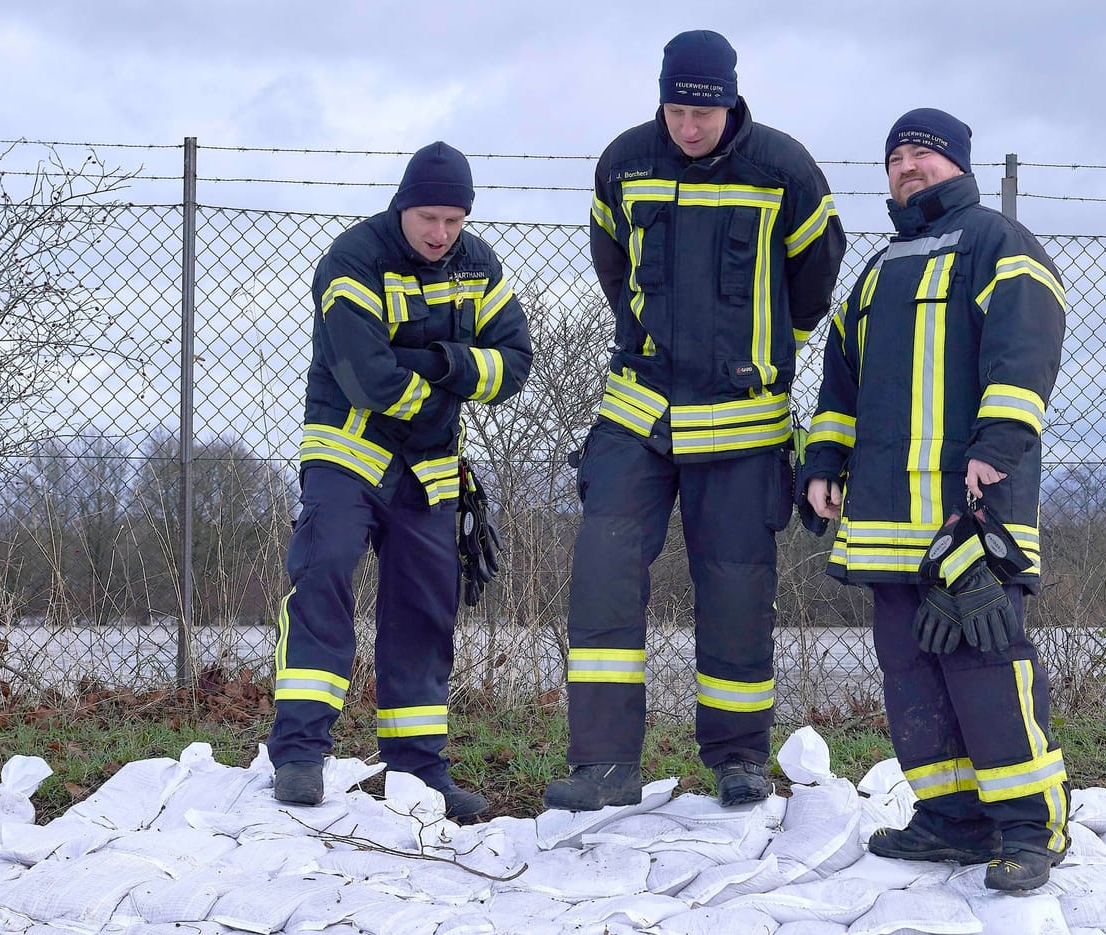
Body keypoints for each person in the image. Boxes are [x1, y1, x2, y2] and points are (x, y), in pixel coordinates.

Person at [545, 30, 846, 811]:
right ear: (662, 100)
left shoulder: (785, 171)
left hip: (743, 424)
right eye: (677, 110)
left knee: (737, 587)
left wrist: (764, 347)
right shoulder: (623, 162)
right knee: (604, 576)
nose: (688, 128)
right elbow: (614, 265)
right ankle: (603, 765)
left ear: (732, 103)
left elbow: (815, 279)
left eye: (703, 115)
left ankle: (739, 757)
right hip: (636, 412)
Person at [798, 108, 1069, 891]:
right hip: (883, 522)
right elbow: (839, 385)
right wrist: (824, 461)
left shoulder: (999, 244)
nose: (907, 166)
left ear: (957, 163)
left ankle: (1029, 826)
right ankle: (952, 821)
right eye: (895, 157)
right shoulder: (877, 272)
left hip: (970, 513)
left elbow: (1025, 355)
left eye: (922, 153)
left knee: (988, 668)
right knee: (910, 672)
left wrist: (997, 450)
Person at [266, 142, 534, 823]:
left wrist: (438, 359)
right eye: (429, 218)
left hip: (431, 468)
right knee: (323, 574)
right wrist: (452, 386)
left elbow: (515, 364)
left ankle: (418, 771)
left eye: (453, 220)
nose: (441, 234)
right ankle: (299, 753)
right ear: (403, 206)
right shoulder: (351, 258)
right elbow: (365, 377)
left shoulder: (479, 265)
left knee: (424, 608)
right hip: (347, 453)